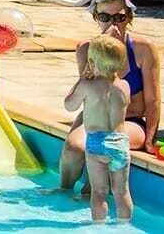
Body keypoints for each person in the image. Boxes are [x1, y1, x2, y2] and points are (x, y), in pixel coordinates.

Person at [59, 0, 162, 194]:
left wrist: (150, 139)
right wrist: (97, 53)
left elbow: (153, 101)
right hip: (95, 116)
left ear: (129, 17)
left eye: (119, 17)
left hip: (130, 121)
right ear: (96, 18)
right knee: (73, 148)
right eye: (105, 17)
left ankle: (90, 194)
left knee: (104, 148)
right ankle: (63, 193)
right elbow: (87, 91)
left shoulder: (143, 49)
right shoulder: (85, 48)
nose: (113, 24)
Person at [66, 35, 134, 223]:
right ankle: (124, 226)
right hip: (120, 143)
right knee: (122, 191)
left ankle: (98, 226)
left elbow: (69, 105)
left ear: (92, 63)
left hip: (97, 143)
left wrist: (81, 80)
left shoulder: (88, 85)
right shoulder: (124, 86)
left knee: (99, 191)